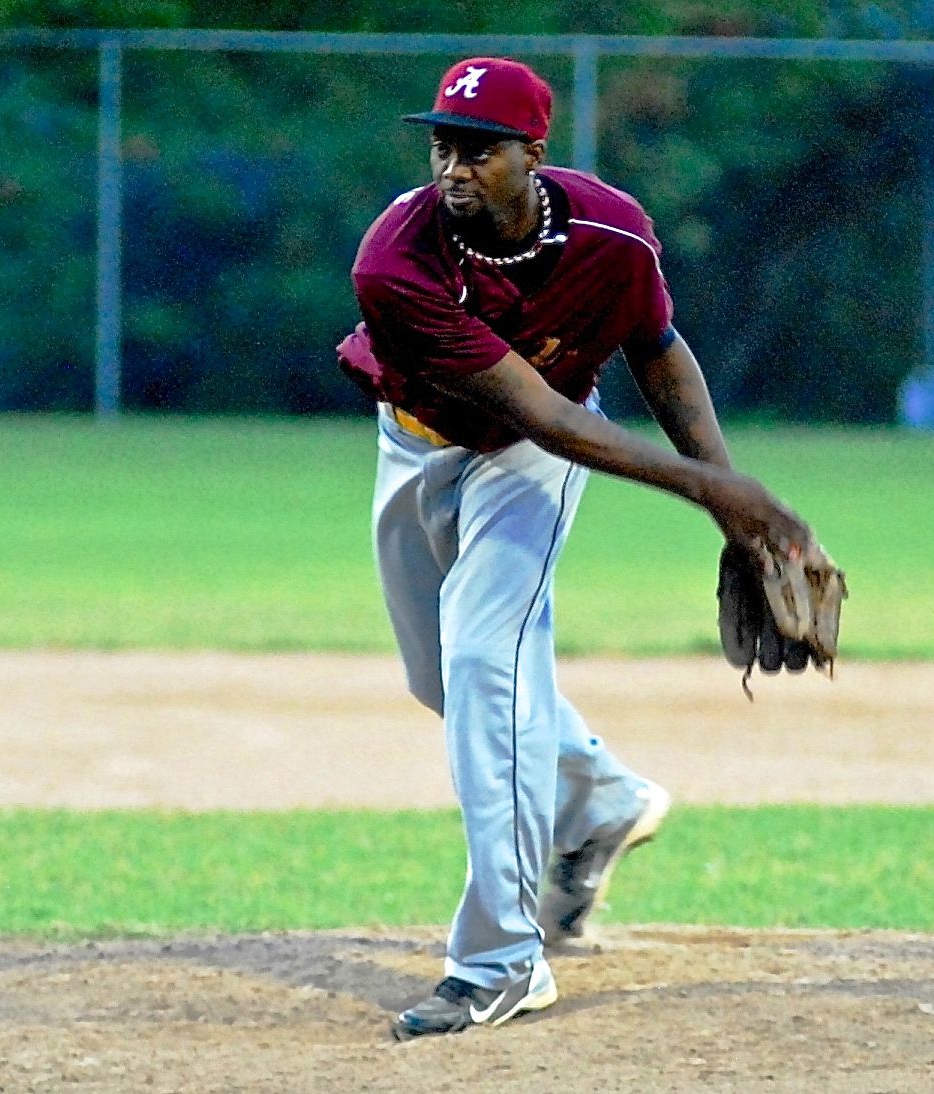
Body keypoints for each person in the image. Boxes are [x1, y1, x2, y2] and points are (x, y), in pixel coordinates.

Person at [337, 57, 817, 1041]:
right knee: (446, 680)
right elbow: (535, 406)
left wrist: (727, 496)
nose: (454, 168)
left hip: (526, 465)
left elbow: (655, 348)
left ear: (534, 155)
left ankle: (500, 958)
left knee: (484, 666)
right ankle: (602, 799)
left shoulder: (608, 231)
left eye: (480, 149)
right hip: (422, 442)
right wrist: (720, 491)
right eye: (442, 146)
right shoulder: (396, 259)